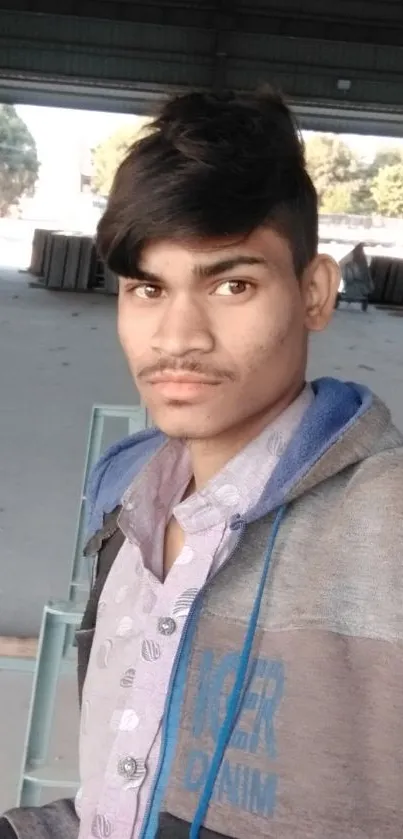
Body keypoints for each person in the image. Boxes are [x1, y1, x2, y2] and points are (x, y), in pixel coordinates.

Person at [2, 88, 403, 839]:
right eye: (147, 288)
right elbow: (124, 797)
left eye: (231, 284)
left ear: (313, 293)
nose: (177, 335)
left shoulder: (385, 521)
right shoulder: (124, 502)